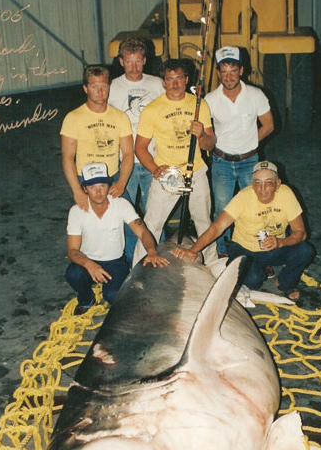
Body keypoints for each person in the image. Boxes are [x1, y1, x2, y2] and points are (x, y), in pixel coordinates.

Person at [173, 161, 314, 302]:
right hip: (244, 249)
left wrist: (280, 242)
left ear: (278, 184)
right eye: (257, 183)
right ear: (252, 184)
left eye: (268, 182)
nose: (262, 188)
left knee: (305, 251)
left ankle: (285, 283)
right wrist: (193, 250)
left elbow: (300, 232)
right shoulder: (243, 197)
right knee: (253, 280)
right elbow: (217, 227)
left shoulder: (286, 194)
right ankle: (243, 267)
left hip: (274, 247)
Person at [132, 58, 217, 265]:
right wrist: (155, 169)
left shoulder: (200, 104)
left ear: (187, 79)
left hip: (195, 171)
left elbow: (210, 144)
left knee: (204, 222)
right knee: (151, 224)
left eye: (179, 78)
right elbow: (140, 148)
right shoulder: (152, 109)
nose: (175, 84)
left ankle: (214, 267)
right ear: (163, 82)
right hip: (168, 175)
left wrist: (201, 136)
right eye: (170, 79)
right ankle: (137, 269)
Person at [65, 162, 169, 314]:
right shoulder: (76, 211)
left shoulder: (121, 204)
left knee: (113, 296)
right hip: (88, 259)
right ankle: (86, 299)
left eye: (102, 186)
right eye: (93, 188)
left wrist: (152, 251)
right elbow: (72, 250)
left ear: (109, 185)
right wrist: (89, 264)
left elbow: (142, 232)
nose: (99, 192)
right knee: (73, 274)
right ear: (85, 189)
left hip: (115, 261)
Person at [205, 46, 274, 256]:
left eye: (233, 70)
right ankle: (223, 252)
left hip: (250, 162)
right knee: (223, 209)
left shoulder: (256, 95)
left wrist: (249, 144)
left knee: (257, 208)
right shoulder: (209, 100)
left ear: (241, 70)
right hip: (221, 163)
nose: (229, 77)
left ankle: (261, 252)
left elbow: (269, 125)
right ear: (218, 73)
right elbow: (208, 138)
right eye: (224, 71)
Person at [60, 65, 134, 212]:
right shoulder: (73, 118)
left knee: (130, 225)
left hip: (113, 177)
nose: (101, 92)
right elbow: (68, 157)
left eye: (104, 86)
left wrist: (121, 183)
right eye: (94, 87)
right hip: (86, 180)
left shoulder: (120, 117)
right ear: (86, 89)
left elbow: (128, 153)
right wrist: (77, 191)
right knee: (90, 226)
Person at [108, 37, 164, 214]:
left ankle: (157, 242)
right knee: (125, 211)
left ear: (145, 61)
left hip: (154, 159)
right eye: (129, 62)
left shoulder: (157, 84)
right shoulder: (112, 87)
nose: (134, 67)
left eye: (138, 61)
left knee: (155, 211)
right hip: (124, 161)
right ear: (121, 61)